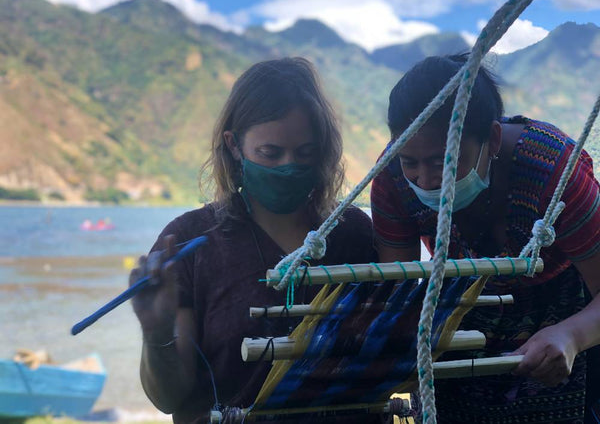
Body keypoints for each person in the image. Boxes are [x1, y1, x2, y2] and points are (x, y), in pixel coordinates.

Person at [130, 57, 377, 423]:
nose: (288, 166)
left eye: (305, 153)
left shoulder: (352, 233)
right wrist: (156, 332)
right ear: (234, 146)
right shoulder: (189, 242)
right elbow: (168, 399)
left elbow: (383, 356)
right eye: (270, 153)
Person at [370, 54, 600, 423]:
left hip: (564, 317)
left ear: (492, 140)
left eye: (445, 162)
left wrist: (571, 336)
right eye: (410, 162)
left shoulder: (557, 172)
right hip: (459, 313)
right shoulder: (391, 178)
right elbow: (398, 289)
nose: (427, 180)